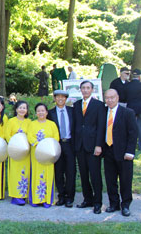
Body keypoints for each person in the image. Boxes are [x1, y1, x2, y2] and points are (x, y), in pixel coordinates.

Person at [103, 89, 138, 217]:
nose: (110, 100)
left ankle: (125, 205)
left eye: (112, 97)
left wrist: (130, 151)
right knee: (110, 180)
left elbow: (133, 133)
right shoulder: (103, 112)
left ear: (117, 97)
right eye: (107, 98)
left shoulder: (128, 113)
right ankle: (114, 204)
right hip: (108, 151)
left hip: (124, 153)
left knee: (125, 180)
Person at [73, 80, 106, 214]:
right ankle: (87, 199)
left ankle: (97, 202)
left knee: (95, 175)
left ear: (92, 89)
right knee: (84, 175)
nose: (85, 90)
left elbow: (101, 127)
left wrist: (99, 145)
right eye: (83, 88)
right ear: (80, 90)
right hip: (80, 145)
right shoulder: (76, 105)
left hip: (93, 146)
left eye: (88, 88)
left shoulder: (99, 105)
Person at [28, 103, 60, 207]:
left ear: (46, 112)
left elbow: (56, 137)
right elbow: (30, 136)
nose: (41, 112)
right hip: (36, 152)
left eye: (43, 110)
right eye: (38, 111)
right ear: (36, 113)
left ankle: (47, 199)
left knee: (48, 174)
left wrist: (48, 145)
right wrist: (38, 144)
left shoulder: (52, 124)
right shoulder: (32, 124)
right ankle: (36, 199)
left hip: (48, 153)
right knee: (36, 174)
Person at [47, 89, 75, 208]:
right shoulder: (50, 113)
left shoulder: (72, 111)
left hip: (70, 144)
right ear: (54, 98)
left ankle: (70, 197)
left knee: (70, 171)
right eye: (57, 97)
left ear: (66, 99)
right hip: (57, 145)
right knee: (58, 171)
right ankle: (61, 196)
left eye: (63, 97)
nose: (60, 99)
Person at [5, 100, 31, 205]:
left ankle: (24, 195)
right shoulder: (11, 121)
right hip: (14, 150)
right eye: (20, 107)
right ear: (16, 109)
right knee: (15, 173)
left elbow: (30, 135)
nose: (22, 110)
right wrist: (15, 144)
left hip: (25, 151)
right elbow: (7, 135)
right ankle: (15, 195)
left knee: (24, 173)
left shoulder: (29, 122)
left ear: (27, 110)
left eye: (24, 108)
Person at [126, 68, 141, 150]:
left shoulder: (128, 85)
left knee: (130, 126)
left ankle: (131, 143)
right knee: (140, 126)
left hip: (130, 107)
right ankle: (140, 145)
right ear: (139, 76)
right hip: (140, 108)